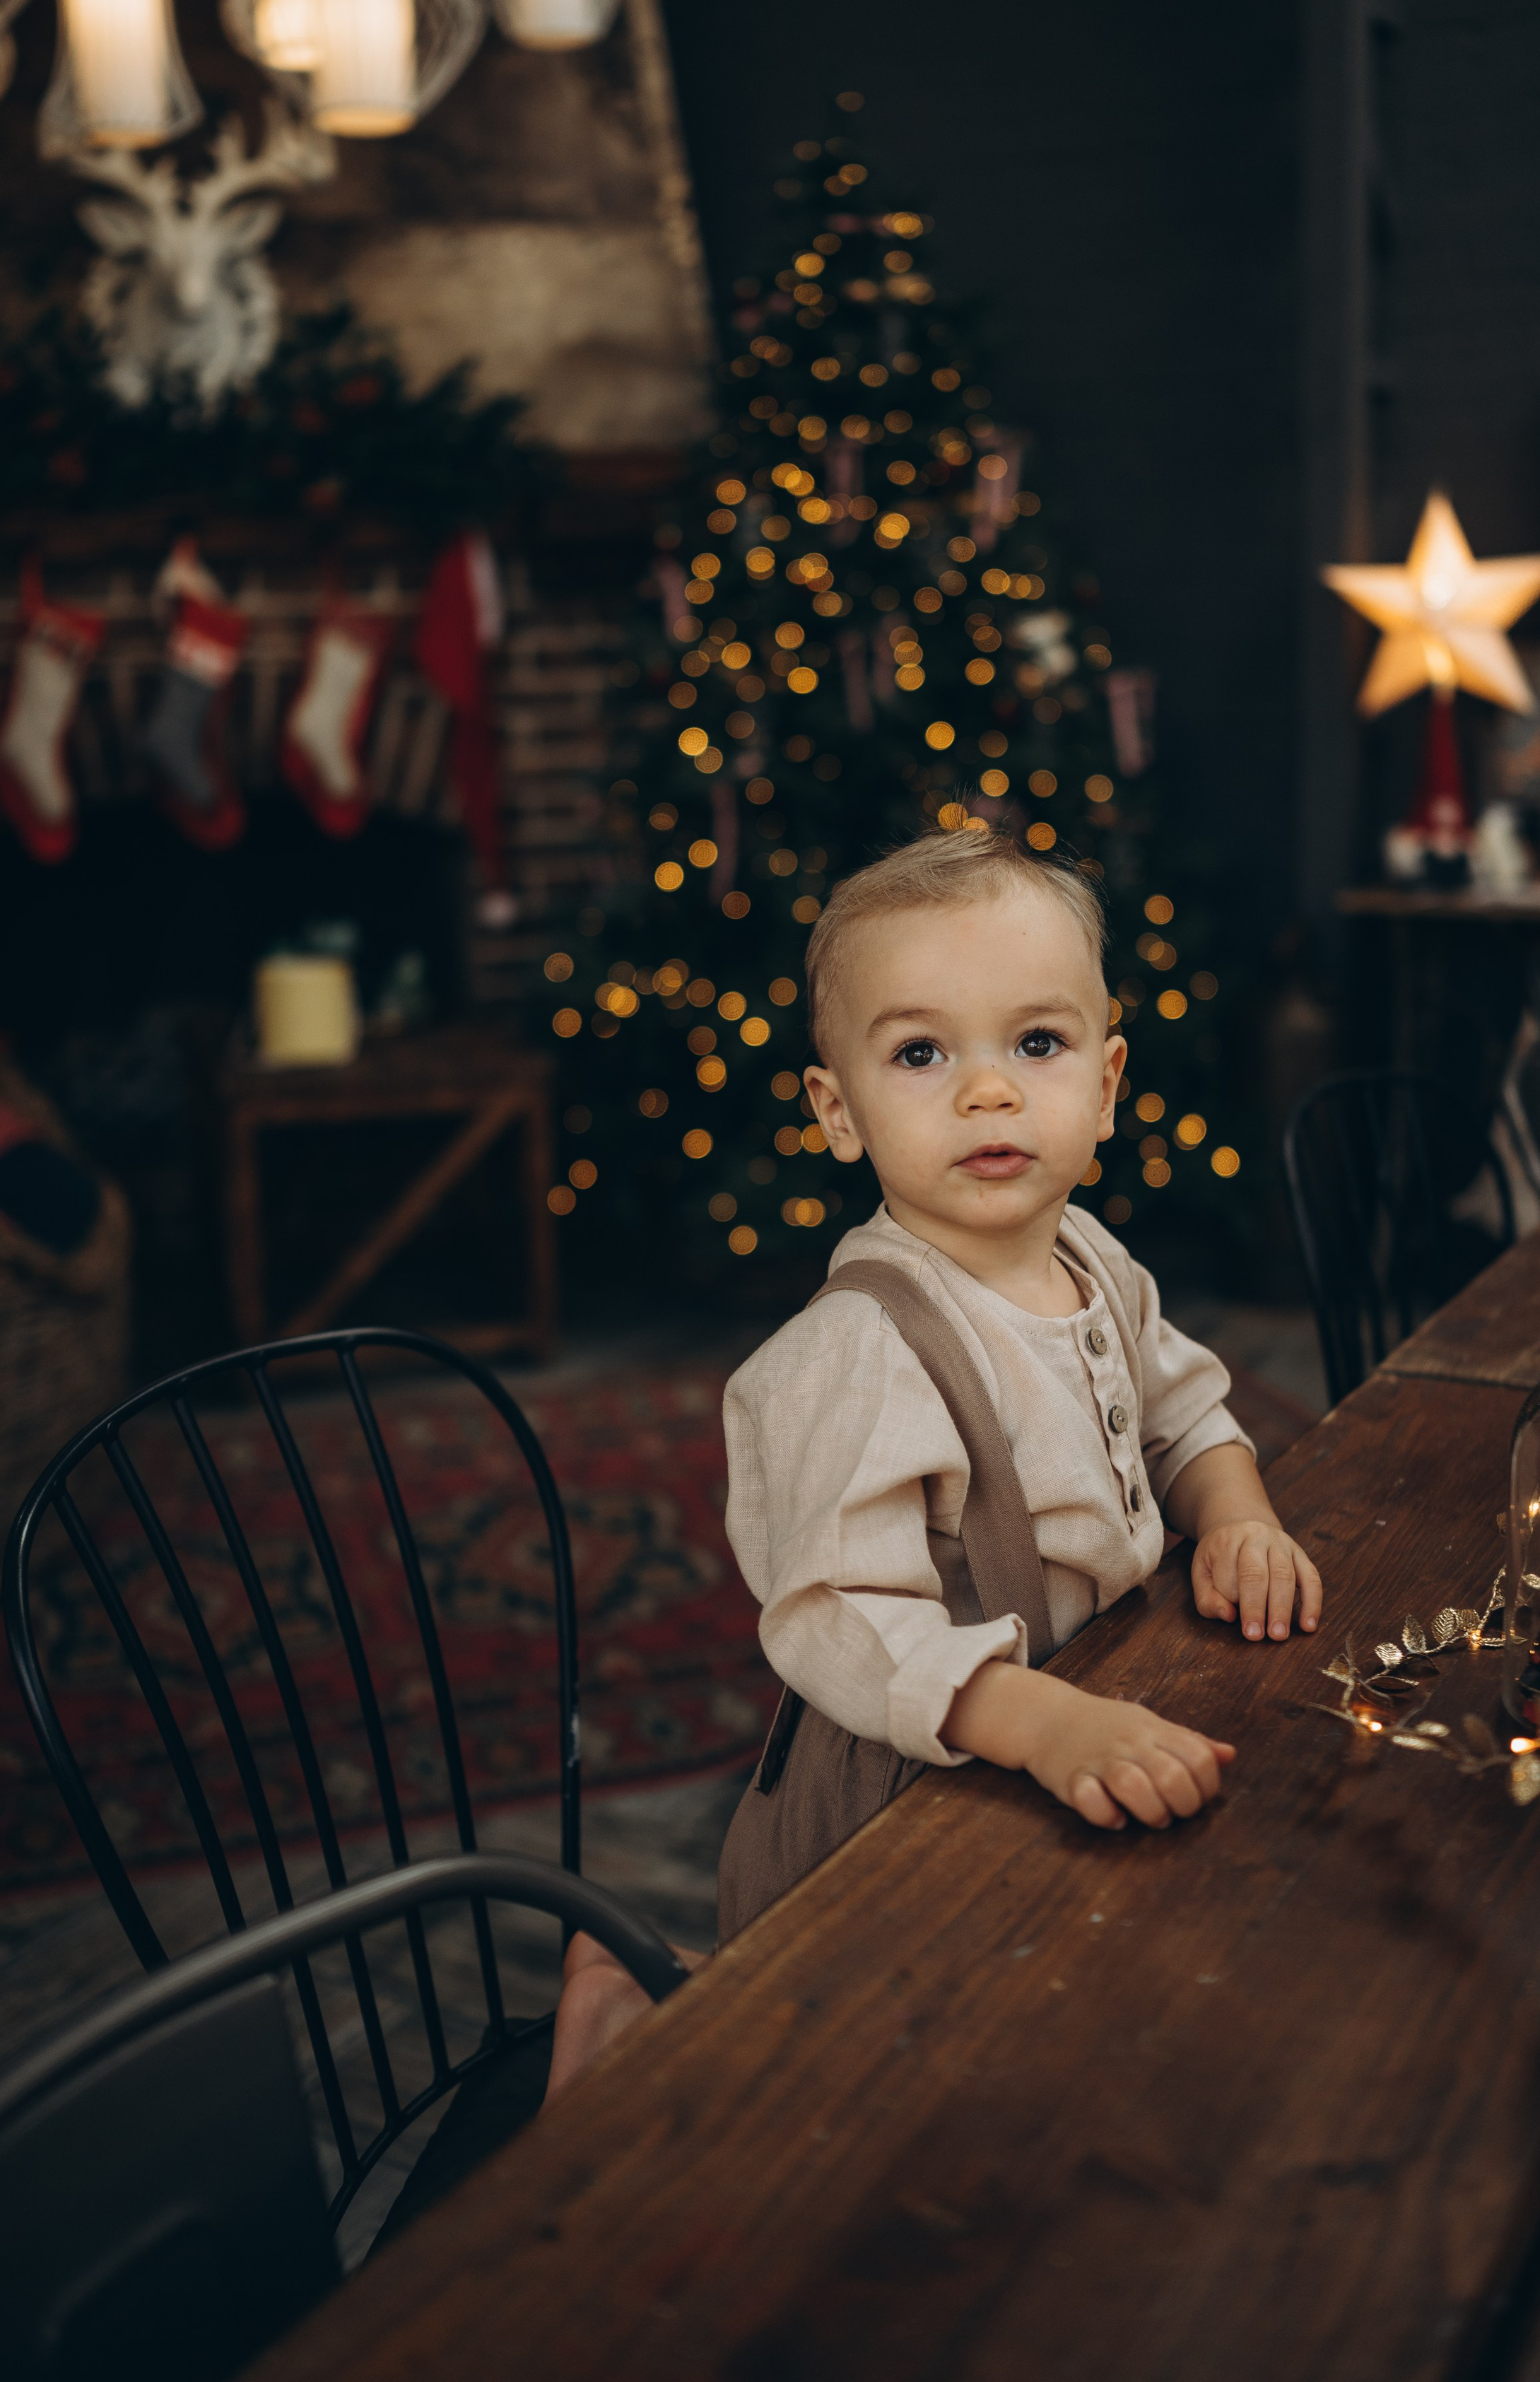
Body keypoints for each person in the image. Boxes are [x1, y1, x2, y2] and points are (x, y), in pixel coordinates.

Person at [544, 826, 1322, 2099]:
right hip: (920, 1788)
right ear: (837, 1113)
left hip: (1085, 1700)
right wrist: (1044, 1718)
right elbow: (840, 1617)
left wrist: (1234, 1512)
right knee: (872, 2081)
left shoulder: (1091, 1259)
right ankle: (638, 2013)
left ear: (1110, 1082)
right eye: (921, 1053)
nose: (989, 1092)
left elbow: (1182, 1405)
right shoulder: (858, 1353)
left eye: (1037, 1044)